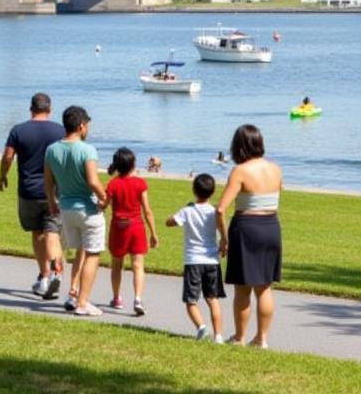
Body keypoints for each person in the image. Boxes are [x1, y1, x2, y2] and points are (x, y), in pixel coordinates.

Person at [216, 124, 283, 348]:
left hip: (246, 227)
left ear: (239, 146)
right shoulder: (276, 169)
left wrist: (224, 239)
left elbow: (220, 209)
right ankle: (262, 338)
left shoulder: (240, 171)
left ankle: (239, 337)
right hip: (271, 226)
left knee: (243, 288)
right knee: (264, 286)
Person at [0, 92, 65, 300]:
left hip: (29, 191)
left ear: (31, 109)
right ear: (50, 109)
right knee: (53, 232)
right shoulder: (60, 131)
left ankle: (44, 276)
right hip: (54, 191)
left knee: (37, 232)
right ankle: (56, 270)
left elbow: (8, 155)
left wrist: (2, 175)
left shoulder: (19, 130)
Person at [44, 105, 108, 316]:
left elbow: (48, 181)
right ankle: (83, 301)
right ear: (81, 126)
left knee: (80, 252)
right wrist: (105, 197)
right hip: (87, 209)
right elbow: (92, 181)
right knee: (92, 254)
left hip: (66, 208)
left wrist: (52, 202)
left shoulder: (52, 149)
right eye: (87, 125)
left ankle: (74, 293)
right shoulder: (87, 150)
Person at [166, 172, 226, 342]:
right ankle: (219, 336)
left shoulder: (187, 210)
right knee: (213, 299)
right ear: (212, 192)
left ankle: (201, 327)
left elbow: (170, 222)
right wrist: (223, 242)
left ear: (194, 190)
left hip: (193, 260)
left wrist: (177, 214)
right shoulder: (214, 212)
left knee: (191, 300)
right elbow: (221, 229)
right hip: (212, 260)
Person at [105, 147, 158, 315]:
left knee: (116, 265)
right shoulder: (140, 183)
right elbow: (147, 211)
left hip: (118, 227)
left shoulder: (113, 184)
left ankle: (117, 297)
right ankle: (138, 298)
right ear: (133, 164)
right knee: (138, 265)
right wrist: (153, 233)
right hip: (136, 227)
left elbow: (104, 205)